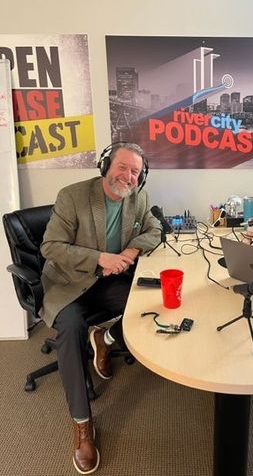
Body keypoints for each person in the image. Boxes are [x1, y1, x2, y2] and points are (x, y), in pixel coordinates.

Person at [40, 142, 161, 474]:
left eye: (135, 171)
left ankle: (104, 341)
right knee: (71, 329)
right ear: (107, 165)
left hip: (107, 283)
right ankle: (82, 425)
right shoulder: (72, 195)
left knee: (150, 307)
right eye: (122, 167)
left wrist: (131, 253)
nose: (128, 176)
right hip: (69, 283)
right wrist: (100, 258)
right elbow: (50, 246)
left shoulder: (140, 199)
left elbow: (154, 230)